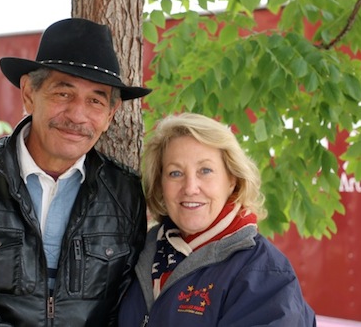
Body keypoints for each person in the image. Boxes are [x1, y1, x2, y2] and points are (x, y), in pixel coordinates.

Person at [0, 18, 151, 327]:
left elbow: (124, 309)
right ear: (28, 93)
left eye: (95, 100)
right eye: (63, 94)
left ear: (110, 115)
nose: (77, 115)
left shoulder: (127, 193)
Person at [118, 113, 317, 326]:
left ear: (232, 179)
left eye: (205, 170)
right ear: (160, 184)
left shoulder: (263, 272)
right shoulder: (141, 252)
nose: (190, 188)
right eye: (175, 173)